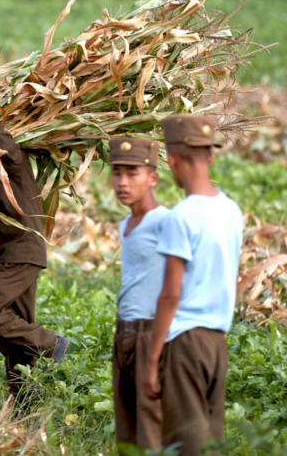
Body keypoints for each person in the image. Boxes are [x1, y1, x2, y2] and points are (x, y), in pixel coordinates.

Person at [142, 115, 243, 455]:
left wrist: (153, 359)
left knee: (186, 444)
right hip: (217, 342)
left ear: (170, 161)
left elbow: (170, 295)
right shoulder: (231, 211)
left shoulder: (180, 217)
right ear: (210, 155)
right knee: (210, 440)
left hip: (185, 342)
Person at [0, 120, 70, 403]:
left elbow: (1, 135)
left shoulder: (10, 156)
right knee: (14, 330)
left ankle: (51, 343)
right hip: (12, 255)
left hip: (20, 254)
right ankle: (25, 399)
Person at [108, 137, 169, 454]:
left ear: (153, 178)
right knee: (126, 429)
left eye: (132, 173)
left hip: (151, 333)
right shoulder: (125, 225)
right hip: (124, 334)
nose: (122, 182)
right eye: (117, 173)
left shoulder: (165, 221)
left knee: (151, 427)